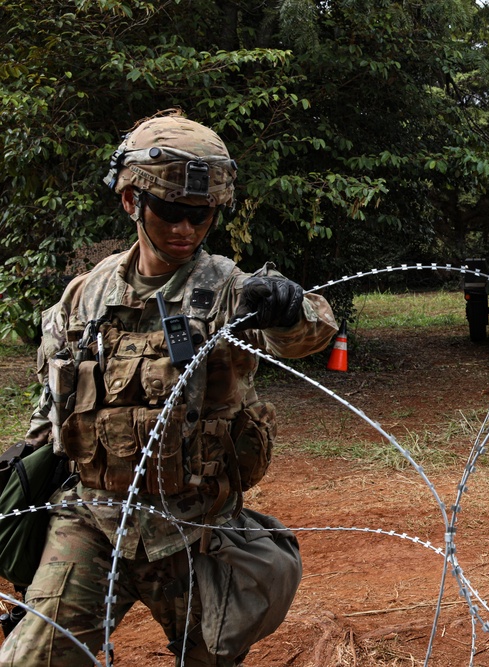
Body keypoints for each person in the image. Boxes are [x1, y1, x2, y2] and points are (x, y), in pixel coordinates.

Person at [0, 110, 338, 666]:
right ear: (133, 202)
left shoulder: (231, 290)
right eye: (171, 212)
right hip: (92, 522)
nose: (185, 229)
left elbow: (307, 335)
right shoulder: (86, 296)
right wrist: (29, 471)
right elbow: (54, 399)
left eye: (200, 215)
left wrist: (286, 307)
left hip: (194, 529)